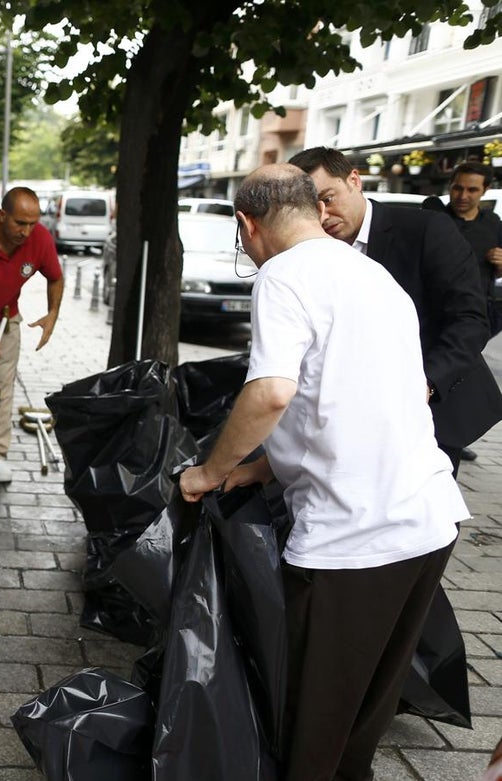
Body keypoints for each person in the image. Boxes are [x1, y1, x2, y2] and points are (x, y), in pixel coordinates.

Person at [179, 163, 468, 781]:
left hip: (358, 539)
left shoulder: (283, 276)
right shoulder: (372, 274)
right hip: (430, 521)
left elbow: (272, 394)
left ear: (246, 225)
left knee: (314, 723)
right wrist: (264, 468)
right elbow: (356, 397)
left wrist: (209, 471)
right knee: (364, 716)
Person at [290, 146, 502, 475]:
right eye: (308, 208)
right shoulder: (312, 249)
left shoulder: (425, 230)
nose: (322, 216)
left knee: (427, 521)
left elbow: (470, 321)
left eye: (328, 198)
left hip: (428, 409)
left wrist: (424, 385)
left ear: (354, 180)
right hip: (346, 416)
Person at [0, 187, 64, 483]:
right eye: (20, 223)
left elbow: (55, 277)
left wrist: (52, 314)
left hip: (5, 318)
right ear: (2, 215)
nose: (27, 231)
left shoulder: (40, 238)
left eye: (33, 223)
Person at [445, 162, 502, 336]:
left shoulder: (493, 223)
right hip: (436, 310)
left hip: (477, 312)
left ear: (485, 190)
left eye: (472, 190)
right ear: (450, 186)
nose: (463, 196)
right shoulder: (434, 220)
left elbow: (498, 273)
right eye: (458, 188)